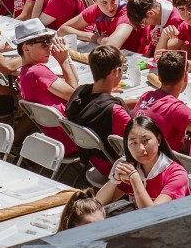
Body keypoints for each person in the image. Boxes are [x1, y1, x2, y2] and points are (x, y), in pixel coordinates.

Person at [95, 116, 190, 210]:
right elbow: (98, 203)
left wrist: (135, 178)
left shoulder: (176, 174)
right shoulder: (132, 167)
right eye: (133, 143)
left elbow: (153, 215)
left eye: (146, 140)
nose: (141, 148)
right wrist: (115, 179)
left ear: (159, 140)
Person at [65, 45, 132, 177]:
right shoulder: (114, 111)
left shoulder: (80, 93)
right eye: (123, 69)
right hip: (116, 168)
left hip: (94, 160)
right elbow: (135, 143)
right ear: (115, 72)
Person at [13, 19, 78, 153]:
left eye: (49, 42)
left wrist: (66, 58)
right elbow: (75, 93)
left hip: (59, 137)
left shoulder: (25, 72)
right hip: (75, 138)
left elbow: (73, 83)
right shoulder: (38, 72)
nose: (49, 47)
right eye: (44, 44)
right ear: (26, 48)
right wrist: (63, 61)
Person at [132, 50, 191, 153]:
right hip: (164, 162)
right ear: (185, 76)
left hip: (140, 156)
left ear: (159, 77)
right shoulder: (177, 109)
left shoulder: (145, 96)